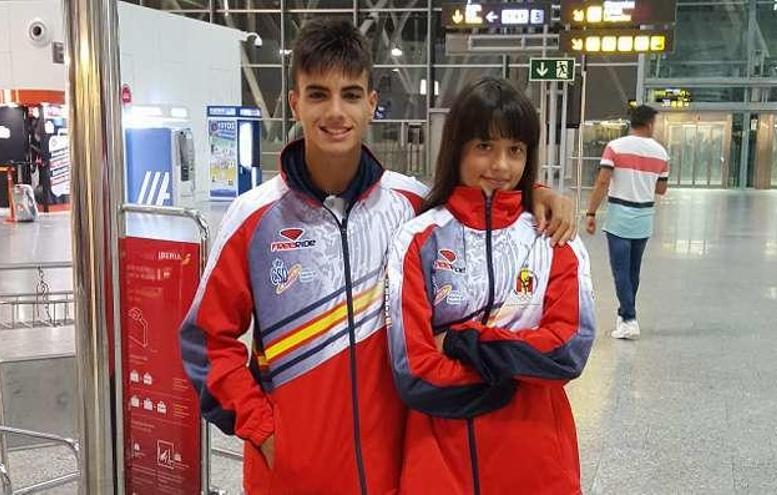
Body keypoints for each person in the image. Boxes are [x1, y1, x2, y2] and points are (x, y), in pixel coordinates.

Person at [178, 19, 576, 494]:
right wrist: (261, 429)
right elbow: (206, 341)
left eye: (350, 94)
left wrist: (537, 193)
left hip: (397, 471)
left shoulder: (412, 207)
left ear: (371, 103)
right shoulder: (255, 217)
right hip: (292, 476)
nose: (335, 111)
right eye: (318, 94)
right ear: (295, 103)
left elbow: (481, 209)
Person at [386, 77, 596, 495]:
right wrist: (517, 373)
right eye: (485, 146)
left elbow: (567, 351)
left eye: (515, 150)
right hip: (442, 465)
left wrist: (462, 342)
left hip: (536, 463)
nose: (501, 166)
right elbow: (413, 371)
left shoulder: (552, 238)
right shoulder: (418, 239)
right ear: (457, 148)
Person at [585, 104, 669, 340]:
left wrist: (591, 213)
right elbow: (661, 189)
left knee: (620, 271)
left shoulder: (615, 147)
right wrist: (644, 177)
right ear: (650, 123)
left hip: (619, 217)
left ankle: (630, 319)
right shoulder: (661, 153)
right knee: (633, 271)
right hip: (644, 219)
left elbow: (602, 182)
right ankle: (624, 315)